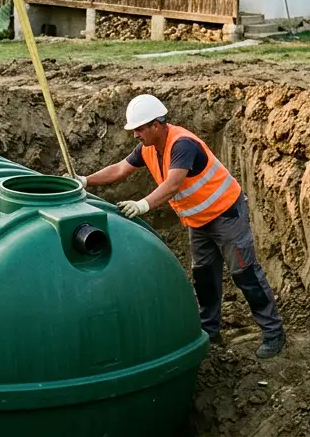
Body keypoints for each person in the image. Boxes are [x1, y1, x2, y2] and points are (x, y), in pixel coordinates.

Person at [77, 94, 287, 358]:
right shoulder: (148, 148)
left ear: (156, 124)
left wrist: (143, 205)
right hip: (198, 222)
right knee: (204, 277)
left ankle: (273, 332)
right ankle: (210, 332)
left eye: (140, 129)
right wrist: (85, 180)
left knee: (245, 275)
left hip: (226, 215)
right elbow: (120, 169)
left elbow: (173, 184)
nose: (135, 135)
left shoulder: (182, 144)